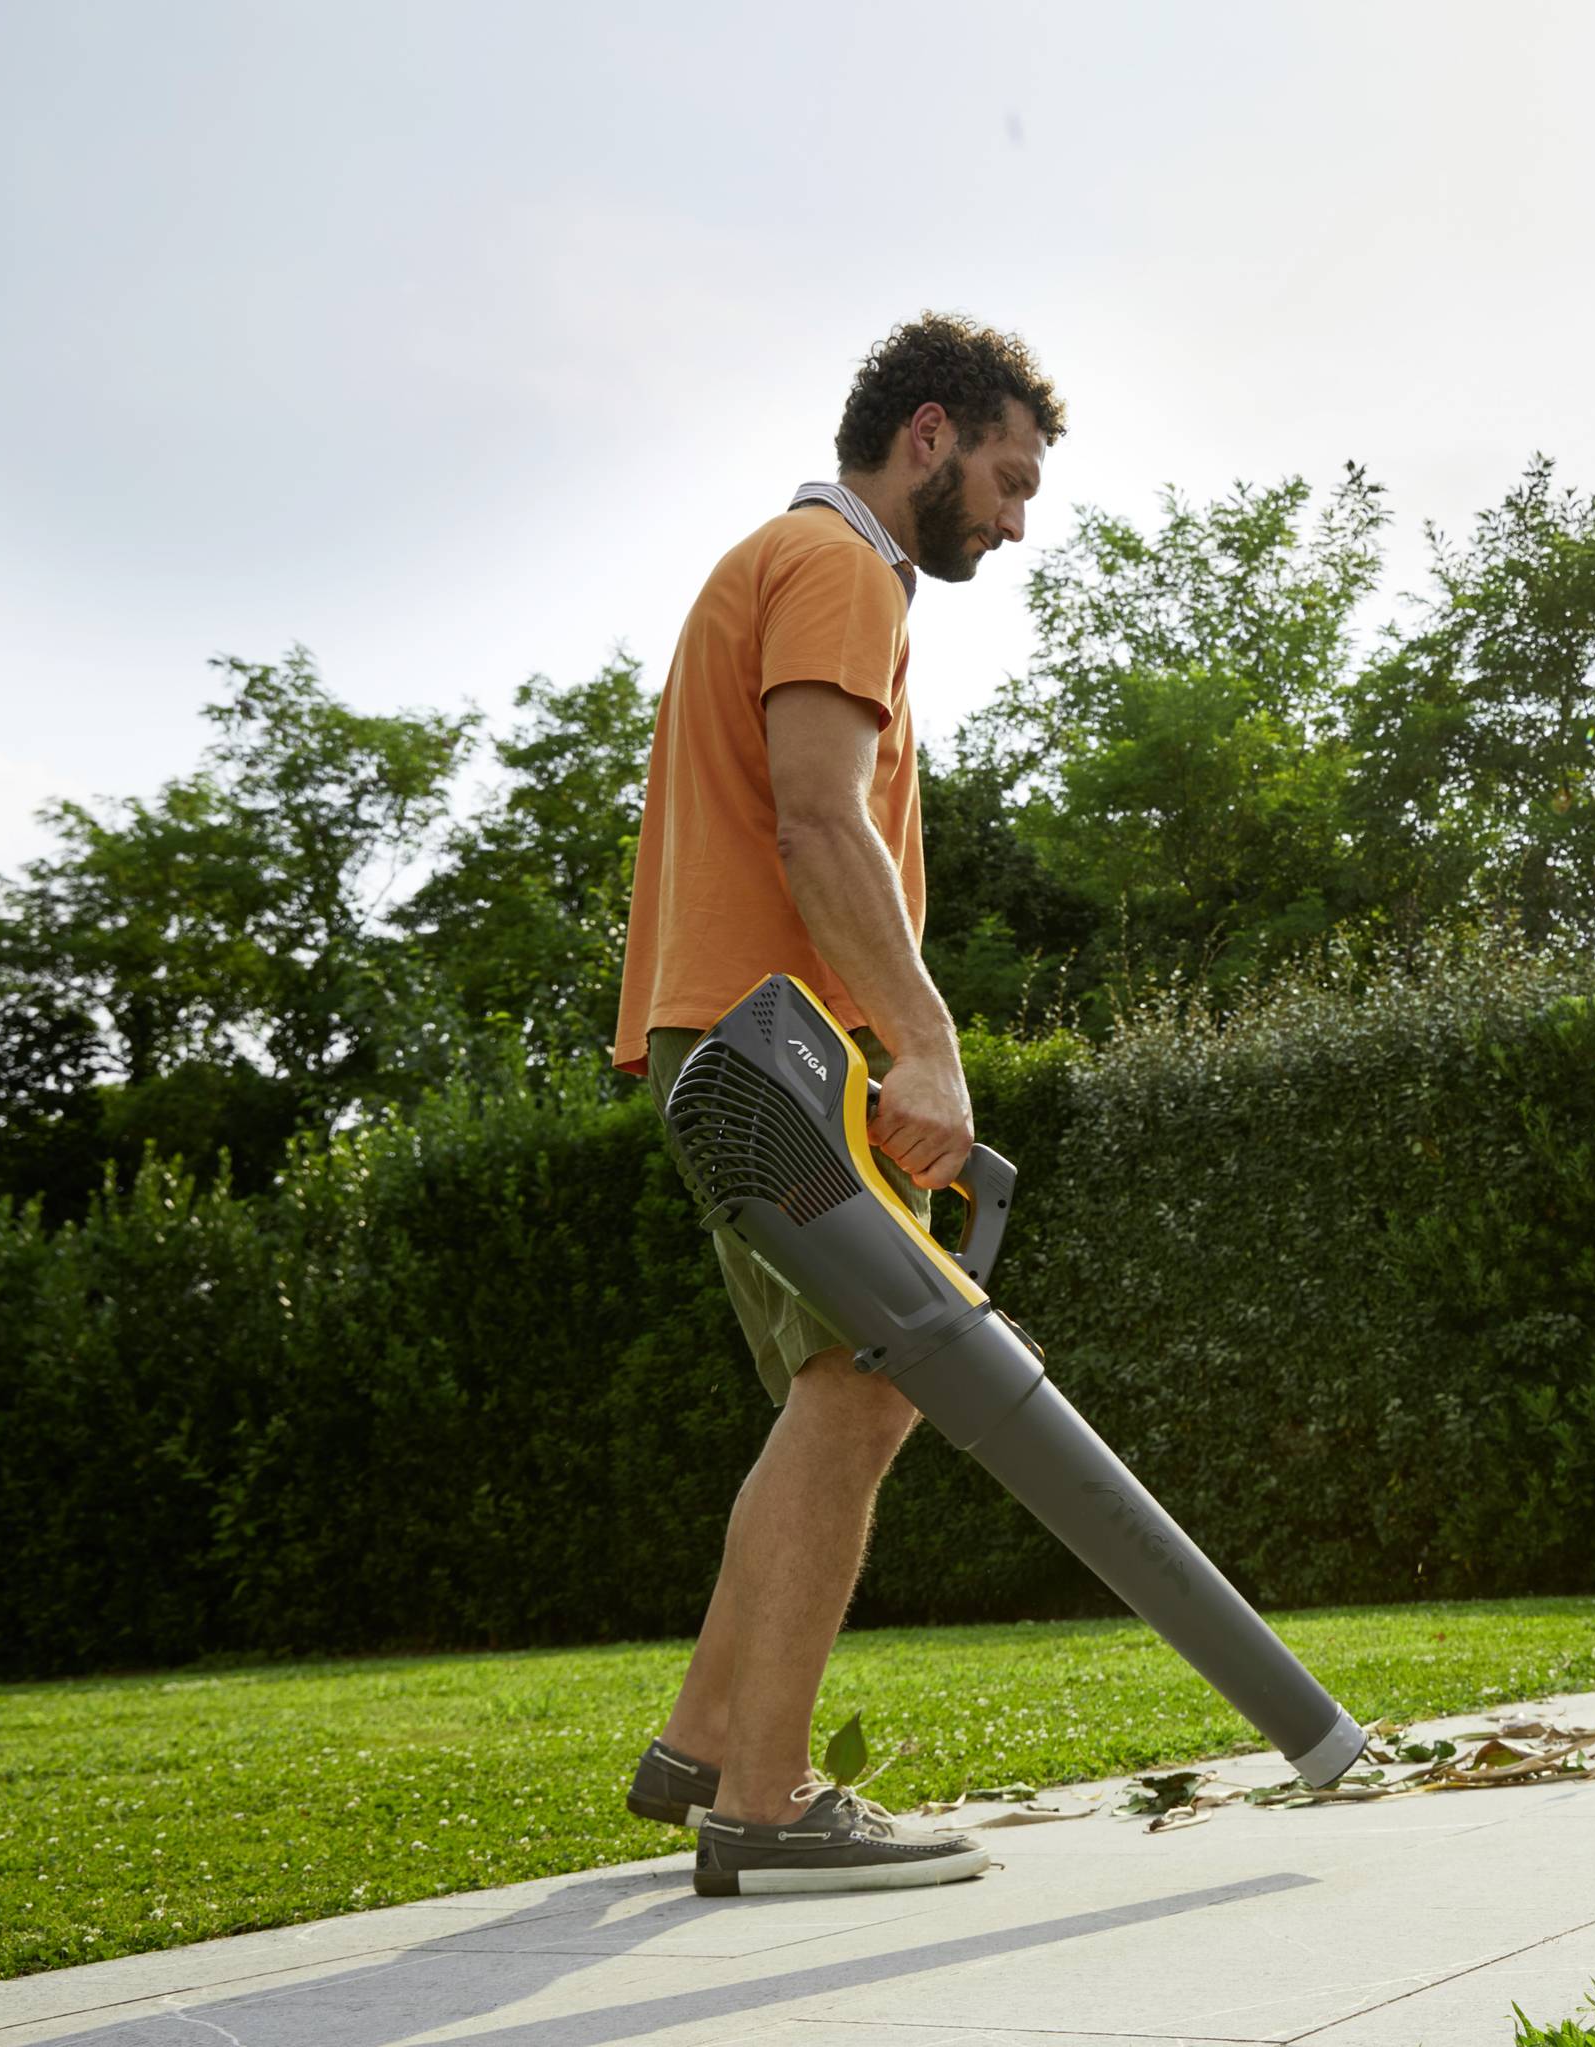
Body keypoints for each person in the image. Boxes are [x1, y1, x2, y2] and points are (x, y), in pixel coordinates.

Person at [607, 313, 1064, 1895]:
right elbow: (817, 820)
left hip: (746, 1029)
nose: (1017, 519)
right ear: (928, 436)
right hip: (784, 1038)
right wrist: (923, 1044)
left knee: (841, 1386)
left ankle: (703, 1742)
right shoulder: (841, 566)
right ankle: (768, 1801)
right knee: (876, 1381)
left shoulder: (794, 565)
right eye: (1008, 478)